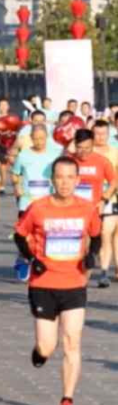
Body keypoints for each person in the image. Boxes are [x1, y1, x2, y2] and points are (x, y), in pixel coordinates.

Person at [14, 156, 101, 405]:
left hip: (74, 283)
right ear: (53, 179)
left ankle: (67, 400)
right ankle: (40, 352)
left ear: (77, 180)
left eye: (69, 177)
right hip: (44, 284)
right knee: (47, 346)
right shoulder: (38, 208)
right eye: (59, 177)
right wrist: (32, 259)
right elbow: (20, 234)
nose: (64, 183)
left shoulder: (86, 209)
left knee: (72, 342)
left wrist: (91, 256)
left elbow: (95, 236)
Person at [12, 124, 62, 280]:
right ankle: (24, 257)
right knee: (24, 234)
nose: (39, 141)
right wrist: (17, 186)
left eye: (42, 138)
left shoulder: (54, 156)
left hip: (48, 201)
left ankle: (44, 261)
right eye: (36, 138)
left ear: (46, 138)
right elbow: (15, 174)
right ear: (31, 138)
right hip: (27, 202)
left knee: (46, 234)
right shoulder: (23, 155)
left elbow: (59, 175)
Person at [70, 128, 117, 287]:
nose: (83, 152)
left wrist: (104, 198)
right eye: (80, 148)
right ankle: (76, 278)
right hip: (71, 209)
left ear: (92, 145)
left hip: (94, 210)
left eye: (87, 148)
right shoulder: (68, 161)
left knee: (91, 245)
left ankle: (82, 280)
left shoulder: (101, 161)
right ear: (74, 145)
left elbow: (114, 181)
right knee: (78, 244)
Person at [92, 120, 118, 286]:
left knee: (114, 233)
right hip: (94, 199)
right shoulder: (88, 153)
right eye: (97, 133)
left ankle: (110, 270)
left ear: (109, 135)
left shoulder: (115, 152)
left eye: (103, 134)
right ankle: (103, 271)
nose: (100, 137)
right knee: (104, 233)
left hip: (113, 198)